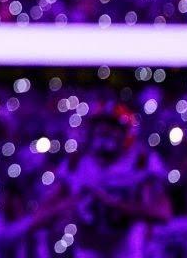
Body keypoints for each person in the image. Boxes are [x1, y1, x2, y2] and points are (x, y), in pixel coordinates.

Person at [29, 102, 172, 258]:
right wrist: (69, 205)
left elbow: (163, 213)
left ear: (126, 132)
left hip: (128, 250)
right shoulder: (76, 163)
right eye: (100, 128)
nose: (104, 134)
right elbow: (40, 216)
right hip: (87, 250)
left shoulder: (141, 162)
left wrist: (117, 205)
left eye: (112, 129)